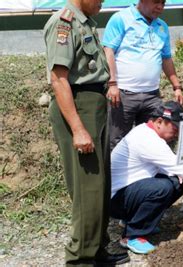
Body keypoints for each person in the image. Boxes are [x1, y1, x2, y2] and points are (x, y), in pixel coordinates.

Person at [43, 0, 129, 265]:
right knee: (87, 187)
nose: (103, 1)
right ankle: (80, 258)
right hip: (78, 108)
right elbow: (59, 78)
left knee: (100, 185)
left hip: (94, 107)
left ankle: (96, 249)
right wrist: (78, 128)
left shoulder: (85, 22)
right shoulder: (64, 23)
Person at [110, 101, 183, 254]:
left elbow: (164, 165)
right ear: (159, 122)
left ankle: (133, 219)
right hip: (114, 199)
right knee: (162, 188)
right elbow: (182, 167)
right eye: (174, 128)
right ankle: (133, 235)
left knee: (178, 182)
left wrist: (178, 174)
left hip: (128, 190)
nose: (177, 133)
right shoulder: (146, 139)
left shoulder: (150, 134)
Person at [102, 0, 183, 150]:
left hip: (152, 96)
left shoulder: (162, 26)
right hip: (123, 95)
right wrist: (112, 84)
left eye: (163, 3)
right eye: (156, 2)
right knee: (117, 142)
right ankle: (116, 174)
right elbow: (108, 51)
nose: (160, 7)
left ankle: (149, 174)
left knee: (154, 141)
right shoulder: (121, 19)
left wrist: (176, 86)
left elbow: (166, 58)